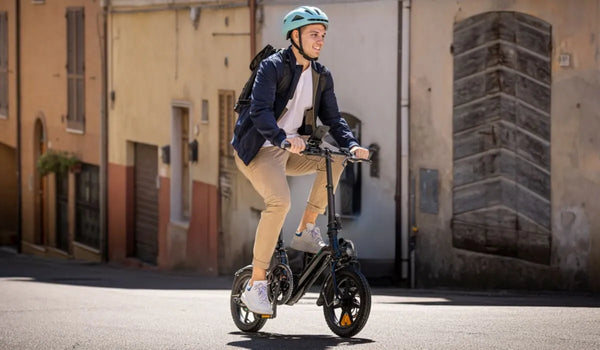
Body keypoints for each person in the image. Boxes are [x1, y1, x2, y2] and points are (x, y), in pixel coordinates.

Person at [231, 5, 369, 315]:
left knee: (335, 159)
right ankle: (256, 284)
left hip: (292, 150)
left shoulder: (321, 76)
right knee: (279, 202)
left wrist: (352, 145)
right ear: (295, 36)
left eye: (322, 35)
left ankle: (306, 230)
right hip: (260, 149)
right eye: (313, 35)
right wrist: (281, 138)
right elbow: (260, 111)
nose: (320, 41)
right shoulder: (272, 67)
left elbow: (333, 118)